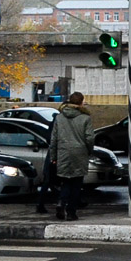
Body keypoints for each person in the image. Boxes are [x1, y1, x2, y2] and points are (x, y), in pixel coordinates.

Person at [48, 92, 94, 221]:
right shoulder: (85, 118)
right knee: (76, 184)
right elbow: (89, 138)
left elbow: (54, 139)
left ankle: (61, 203)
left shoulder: (59, 118)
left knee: (65, 181)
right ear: (81, 102)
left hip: (63, 152)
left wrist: (53, 156)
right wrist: (89, 151)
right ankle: (71, 212)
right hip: (79, 153)